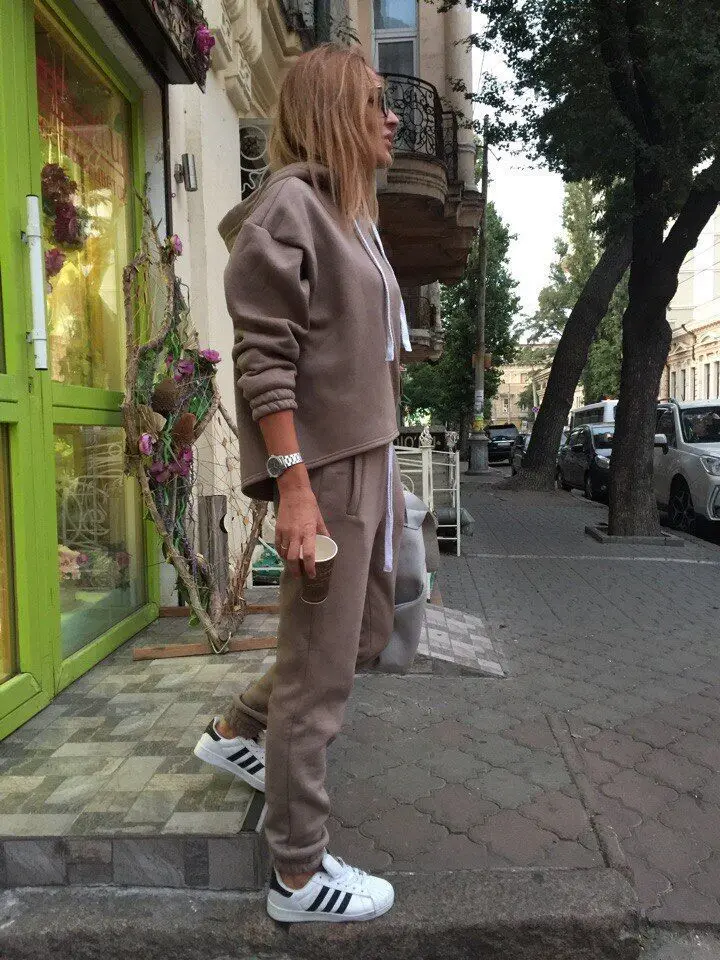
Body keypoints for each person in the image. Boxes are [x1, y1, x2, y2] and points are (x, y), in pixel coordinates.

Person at [193, 43, 409, 923]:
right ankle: (297, 875)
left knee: (363, 634)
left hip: (371, 456)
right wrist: (294, 485)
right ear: (330, 115)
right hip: (328, 469)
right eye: (373, 102)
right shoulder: (290, 207)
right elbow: (265, 358)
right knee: (320, 676)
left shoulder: (349, 213)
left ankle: (236, 731)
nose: (392, 116)